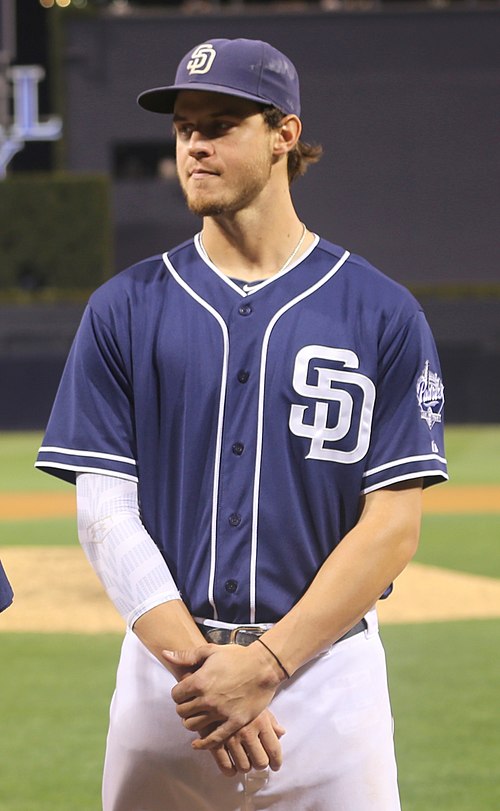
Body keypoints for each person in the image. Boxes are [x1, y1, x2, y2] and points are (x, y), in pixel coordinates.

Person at [35, 37, 448, 811]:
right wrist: (207, 672)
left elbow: (392, 526)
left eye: (221, 122)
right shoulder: (123, 308)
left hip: (328, 681)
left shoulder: (383, 311)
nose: (195, 142)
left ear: (284, 135)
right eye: (185, 125)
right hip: (170, 685)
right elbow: (103, 512)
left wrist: (263, 666)